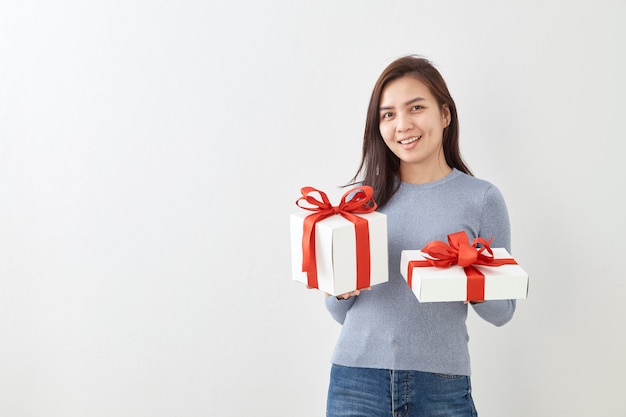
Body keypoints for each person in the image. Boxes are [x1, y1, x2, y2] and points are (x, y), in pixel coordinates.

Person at [324, 55, 515, 417]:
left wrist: (468, 273)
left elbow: (502, 312)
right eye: (388, 114)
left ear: (445, 115)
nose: (403, 125)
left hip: (441, 385)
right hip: (356, 381)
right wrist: (339, 288)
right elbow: (338, 311)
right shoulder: (361, 201)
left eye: (416, 107)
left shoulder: (482, 199)